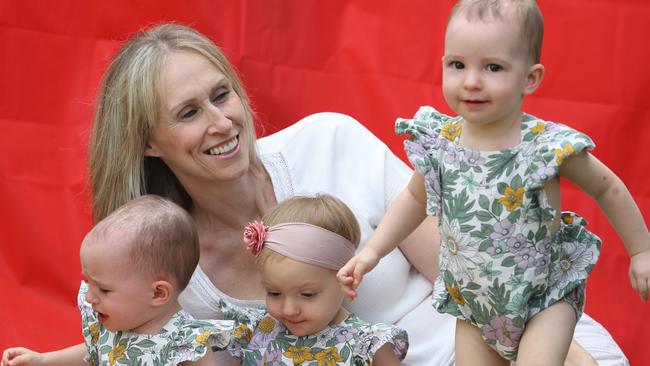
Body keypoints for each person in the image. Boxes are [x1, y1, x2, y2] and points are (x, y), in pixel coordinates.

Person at [86, 22, 628, 365]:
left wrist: (571, 359)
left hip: (509, 344)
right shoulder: (158, 261)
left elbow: (476, 273)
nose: (222, 122)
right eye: (188, 113)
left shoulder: (331, 141)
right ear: (148, 143)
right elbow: (112, 340)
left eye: (222, 94)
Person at [337, 0, 650, 365]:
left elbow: (606, 187)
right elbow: (412, 199)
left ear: (529, 78)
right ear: (443, 65)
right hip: (474, 303)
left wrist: (641, 250)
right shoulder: (442, 142)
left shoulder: (544, 146)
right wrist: (373, 251)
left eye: (493, 67)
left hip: (541, 299)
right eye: (458, 65)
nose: (471, 81)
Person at [1, 195, 233, 366]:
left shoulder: (185, 344)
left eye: (104, 289)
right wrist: (42, 360)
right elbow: (94, 353)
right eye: (89, 282)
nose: (90, 297)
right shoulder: (118, 323)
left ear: (158, 293)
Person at [217, 194, 408, 365]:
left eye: (307, 294)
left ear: (347, 278)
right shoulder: (258, 330)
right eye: (274, 293)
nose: (289, 309)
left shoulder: (365, 344)